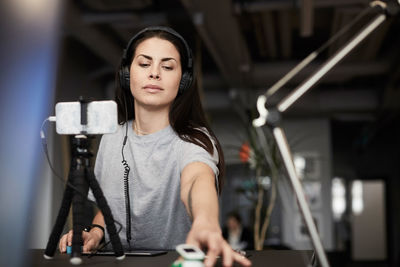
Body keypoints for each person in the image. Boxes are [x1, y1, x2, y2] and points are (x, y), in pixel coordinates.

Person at [58, 26, 251, 267]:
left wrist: (206, 221)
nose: (155, 73)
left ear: (184, 80)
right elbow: (110, 208)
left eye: (167, 66)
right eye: (144, 64)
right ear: (128, 74)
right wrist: (95, 233)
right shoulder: (112, 138)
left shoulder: (194, 139)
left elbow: (196, 180)